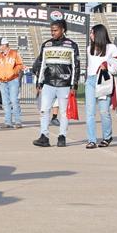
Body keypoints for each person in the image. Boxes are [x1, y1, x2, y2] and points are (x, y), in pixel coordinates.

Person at [32, 19, 80, 147]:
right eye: (51, 30)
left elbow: (76, 66)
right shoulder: (46, 45)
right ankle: (44, 136)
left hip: (64, 84)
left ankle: (62, 136)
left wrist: (74, 85)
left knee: (64, 112)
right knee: (43, 110)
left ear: (62, 30)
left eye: (55, 30)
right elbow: (41, 64)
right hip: (48, 83)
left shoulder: (71, 45)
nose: (52, 33)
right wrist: (39, 82)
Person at [85, 24, 117, 149]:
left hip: (104, 80)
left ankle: (107, 136)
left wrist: (107, 66)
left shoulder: (111, 48)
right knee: (90, 112)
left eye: (93, 33)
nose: (91, 35)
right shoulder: (89, 48)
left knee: (104, 111)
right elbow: (90, 66)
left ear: (99, 34)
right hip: (91, 80)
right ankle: (91, 140)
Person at [0, 37, 24, 129]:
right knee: (6, 102)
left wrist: (13, 72)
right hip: (3, 81)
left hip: (13, 80)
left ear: (4, 45)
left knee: (14, 100)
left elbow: (20, 64)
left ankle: (18, 121)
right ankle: (8, 122)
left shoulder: (14, 53)